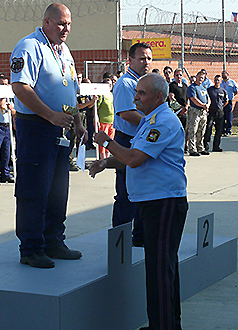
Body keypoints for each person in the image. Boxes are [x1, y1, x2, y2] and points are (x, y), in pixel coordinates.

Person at [89, 73, 188, 330]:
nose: (135, 97)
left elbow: (134, 158)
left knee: (159, 273)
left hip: (163, 202)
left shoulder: (162, 122)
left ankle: (163, 326)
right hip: (153, 202)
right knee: (162, 269)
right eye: (136, 92)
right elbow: (133, 157)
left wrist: (108, 142)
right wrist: (106, 162)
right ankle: (166, 324)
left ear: (158, 96)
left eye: (141, 93)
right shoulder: (150, 120)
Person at [10, 3, 87, 268]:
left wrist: (77, 121)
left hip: (61, 126)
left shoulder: (63, 50)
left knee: (57, 190)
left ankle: (53, 241)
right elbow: (20, 87)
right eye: (61, 24)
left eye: (69, 24)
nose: (66, 29)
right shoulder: (29, 46)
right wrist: (49, 115)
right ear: (46, 22)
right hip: (36, 127)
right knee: (34, 188)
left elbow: (70, 89)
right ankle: (31, 248)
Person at [112, 42, 152, 247]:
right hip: (127, 140)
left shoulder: (146, 83)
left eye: (149, 58)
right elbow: (127, 113)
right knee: (126, 193)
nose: (146, 62)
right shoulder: (126, 84)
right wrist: (154, 122)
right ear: (130, 60)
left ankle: (140, 236)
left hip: (142, 141)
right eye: (142, 58)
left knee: (143, 191)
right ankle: (121, 239)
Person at [187, 71, 210, 156]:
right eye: (199, 77)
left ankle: (200, 147)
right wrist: (202, 105)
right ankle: (192, 149)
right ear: (196, 77)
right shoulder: (192, 87)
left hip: (203, 112)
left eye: (202, 78)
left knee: (201, 130)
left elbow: (208, 98)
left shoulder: (203, 88)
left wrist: (207, 105)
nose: (200, 79)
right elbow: (193, 98)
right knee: (193, 130)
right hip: (195, 111)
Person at [204, 75, 228, 152]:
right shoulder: (210, 90)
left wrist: (221, 107)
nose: (217, 81)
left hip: (220, 112)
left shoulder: (223, 91)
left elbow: (226, 101)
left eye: (218, 80)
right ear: (214, 80)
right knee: (208, 129)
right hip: (211, 112)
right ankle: (206, 147)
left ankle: (216, 146)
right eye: (216, 80)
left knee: (219, 130)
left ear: (220, 81)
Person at [96, 77, 114, 159]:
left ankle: (108, 156)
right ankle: (102, 157)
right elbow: (96, 108)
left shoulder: (112, 95)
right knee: (103, 140)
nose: (109, 87)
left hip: (112, 121)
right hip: (103, 121)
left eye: (110, 85)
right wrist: (96, 119)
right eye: (107, 85)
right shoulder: (101, 95)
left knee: (110, 140)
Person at [168, 68, 189, 134]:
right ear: (174, 76)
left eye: (180, 75)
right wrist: (180, 109)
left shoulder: (185, 86)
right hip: (176, 112)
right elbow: (171, 98)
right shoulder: (171, 85)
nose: (179, 77)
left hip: (185, 112)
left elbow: (188, 98)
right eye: (177, 75)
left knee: (184, 130)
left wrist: (186, 107)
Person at [220, 70, 238, 136]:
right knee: (222, 116)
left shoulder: (232, 82)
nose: (223, 75)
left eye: (224, 74)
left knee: (228, 116)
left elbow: (236, 92)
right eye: (222, 74)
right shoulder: (220, 83)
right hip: (222, 101)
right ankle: (222, 130)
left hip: (229, 101)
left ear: (228, 74)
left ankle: (228, 130)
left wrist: (231, 97)